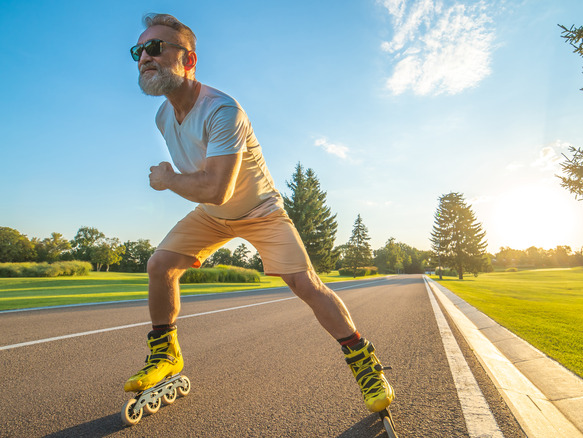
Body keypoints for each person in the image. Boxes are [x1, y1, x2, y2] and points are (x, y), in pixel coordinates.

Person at [124, 13, 394, 413]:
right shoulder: (163, 117)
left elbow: (216, 188)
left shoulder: (222, 110)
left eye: (156, 47)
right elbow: (205, 187)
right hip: (214, 215)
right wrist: (181, 180)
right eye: (139, 50)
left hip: (260, 210)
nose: (145, 56)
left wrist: (167, 179)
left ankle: (364, 362)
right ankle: (166, 353)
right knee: (160, 264)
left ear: (189, 60)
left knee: (306, 285)